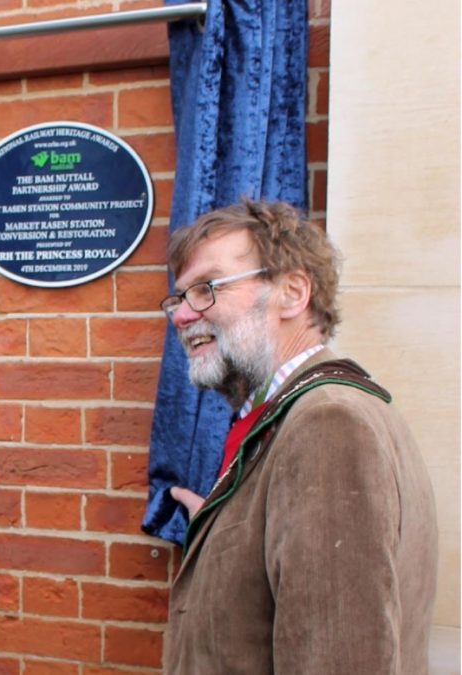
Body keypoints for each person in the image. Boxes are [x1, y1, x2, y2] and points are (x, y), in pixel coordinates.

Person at [158, 200, 437, 673]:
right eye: (179, 298)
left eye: (206, 289)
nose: (183, 317)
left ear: (292, 293)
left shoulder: (328, 424)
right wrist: (224, 529)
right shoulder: (292, 412)